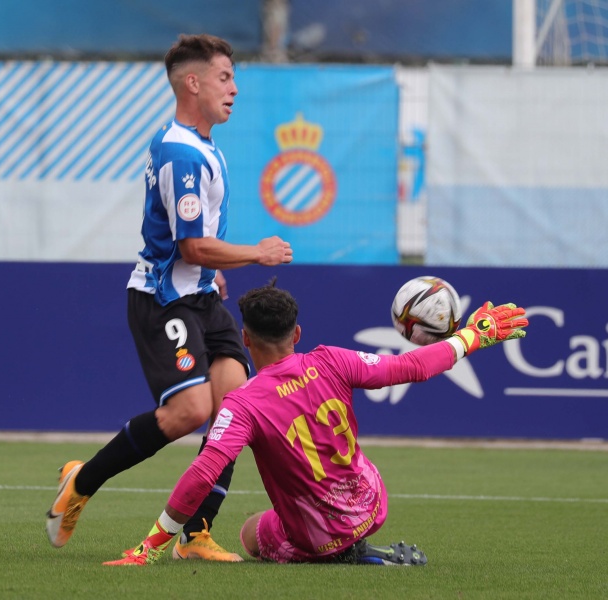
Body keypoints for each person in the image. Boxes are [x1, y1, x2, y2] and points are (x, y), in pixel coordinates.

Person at [45, 34, 293, 561]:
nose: (235, 89)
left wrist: (213, 273)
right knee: (189, 412)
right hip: (164, 300)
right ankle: (82, 480)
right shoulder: (182, 151)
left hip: (200, 295)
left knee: (234, 411)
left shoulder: (201, 145)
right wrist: (256, 253)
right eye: (225, 78)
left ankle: (195, 535)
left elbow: (197, 249)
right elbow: (192, 244)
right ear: (193, 82)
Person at [102, 280, 528, 566]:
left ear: (245, 340)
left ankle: (350, 555)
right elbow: (410, 368)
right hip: (373, 504)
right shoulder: (332, 359)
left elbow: (203, 472)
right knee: (328, 487)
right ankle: (356, 543)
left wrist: (150, 546)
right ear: (298, 333)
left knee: (253, 533)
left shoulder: (242, 404)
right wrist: (474, 335)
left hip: (317, 533)